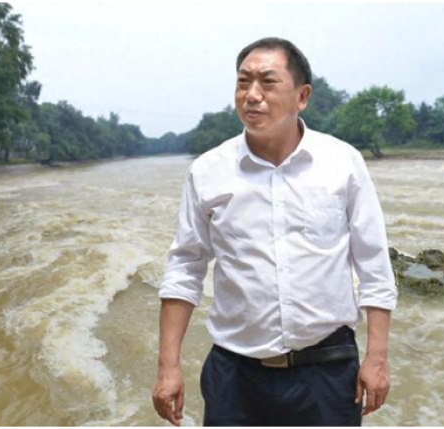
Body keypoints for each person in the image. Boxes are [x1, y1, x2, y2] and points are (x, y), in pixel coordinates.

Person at [152, 37, 398, 426]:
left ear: (302, 96)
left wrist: (377, 358)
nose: (252, 95)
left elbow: (374, 264)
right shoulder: (208, 171)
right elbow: (185, 266)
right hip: (235, 378)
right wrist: (168, 367)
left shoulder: (342, 163)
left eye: (267, 82)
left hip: (328, 372)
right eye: (243, 82)